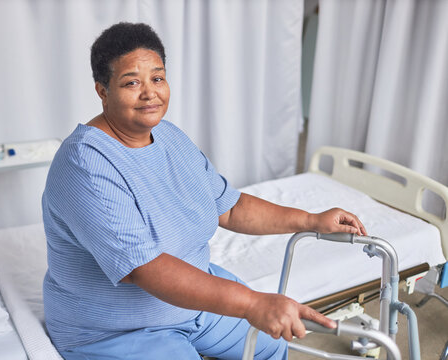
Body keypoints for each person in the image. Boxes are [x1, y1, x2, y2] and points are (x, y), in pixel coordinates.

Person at [41, 22, 367, 360]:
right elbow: (145, 269)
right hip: (114, 329)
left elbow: (230, 208)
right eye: (131, 82)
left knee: (271, 346)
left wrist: (312, 220)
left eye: (157, 78)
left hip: (194, 303)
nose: (149, 92)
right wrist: (252, 302)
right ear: (102, 90)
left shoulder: (169, 136)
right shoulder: (85, 163)